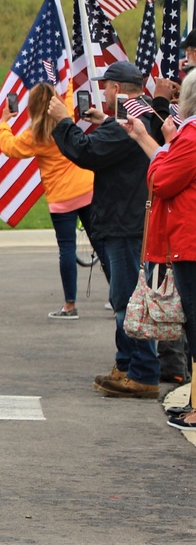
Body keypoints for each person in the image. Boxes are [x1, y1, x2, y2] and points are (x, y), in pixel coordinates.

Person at [48, 60, 159, 399]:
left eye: (106, 86)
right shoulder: (142, 117)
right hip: (127, 220)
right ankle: (126, 365)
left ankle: (141, 373)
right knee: (124, 298)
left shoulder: (128, 122)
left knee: (126, 301)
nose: (103, 91)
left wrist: (63, 121)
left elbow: (87, 152)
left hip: (124, 224)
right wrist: (105, 121)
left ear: (116, 88)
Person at [122, 76, 196, 427]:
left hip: (190, 242)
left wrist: (164, 145)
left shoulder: (192, 137)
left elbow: (162, 179)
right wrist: (144, 138)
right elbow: (167, 167)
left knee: (195, 325)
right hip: (186, 241)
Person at [0, 83, 104, 319]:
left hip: (61, 197)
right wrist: (66, 79)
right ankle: (119, 297)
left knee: (67, 248)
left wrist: (3, 123)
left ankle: (70, 305)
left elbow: (9, 147)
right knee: (102, 242)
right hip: (86, 188)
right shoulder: (66, 117)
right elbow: (69, 90)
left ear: (32, 107)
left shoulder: (35, 135)